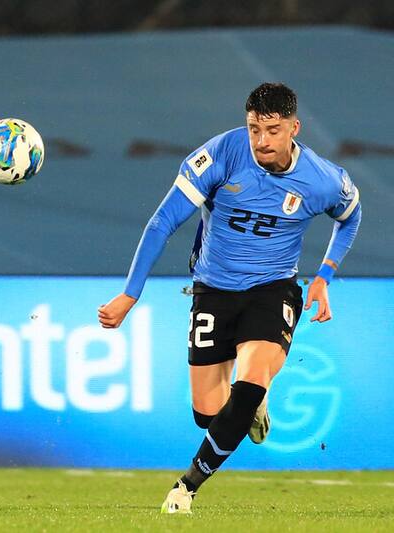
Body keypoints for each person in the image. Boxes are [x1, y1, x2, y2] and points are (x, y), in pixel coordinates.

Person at [98, 83, 361, 514]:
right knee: (209, 416)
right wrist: (130, 294)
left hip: (272, 289)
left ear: (294, 128)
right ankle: (252, 404)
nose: (262, 140)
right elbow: (162, 222)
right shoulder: (220, 155)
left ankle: (186, 487)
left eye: (273, 130)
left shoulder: (322, 179)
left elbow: (350, 216)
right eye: (254, 129)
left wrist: (324, 276)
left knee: (249, 385)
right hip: (213, 290)